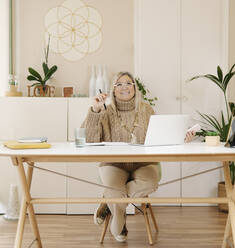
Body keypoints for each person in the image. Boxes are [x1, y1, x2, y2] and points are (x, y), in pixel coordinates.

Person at [81, 71, 195, 242]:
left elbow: (162, 137)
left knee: (147, 183)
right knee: (116, 209)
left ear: (135, 87)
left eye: (129, 83)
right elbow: (88, 140)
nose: (124, 87)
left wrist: (182, 138)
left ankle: (109, 201)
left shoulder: (147, 109)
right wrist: (95, 110)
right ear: (113, 89)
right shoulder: (105, 110)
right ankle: (114, 202)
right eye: (119, 84)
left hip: (144, 163)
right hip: (113, 164)